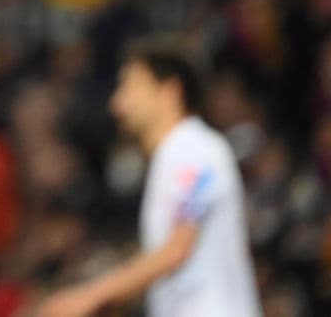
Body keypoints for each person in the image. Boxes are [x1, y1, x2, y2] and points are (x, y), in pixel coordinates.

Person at [39, 39, 261, 317]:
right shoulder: (172, 156)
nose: (117, 104)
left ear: (170, 92)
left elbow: (178, 249)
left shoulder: (195, 148)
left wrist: (90, 295)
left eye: (130, 88)